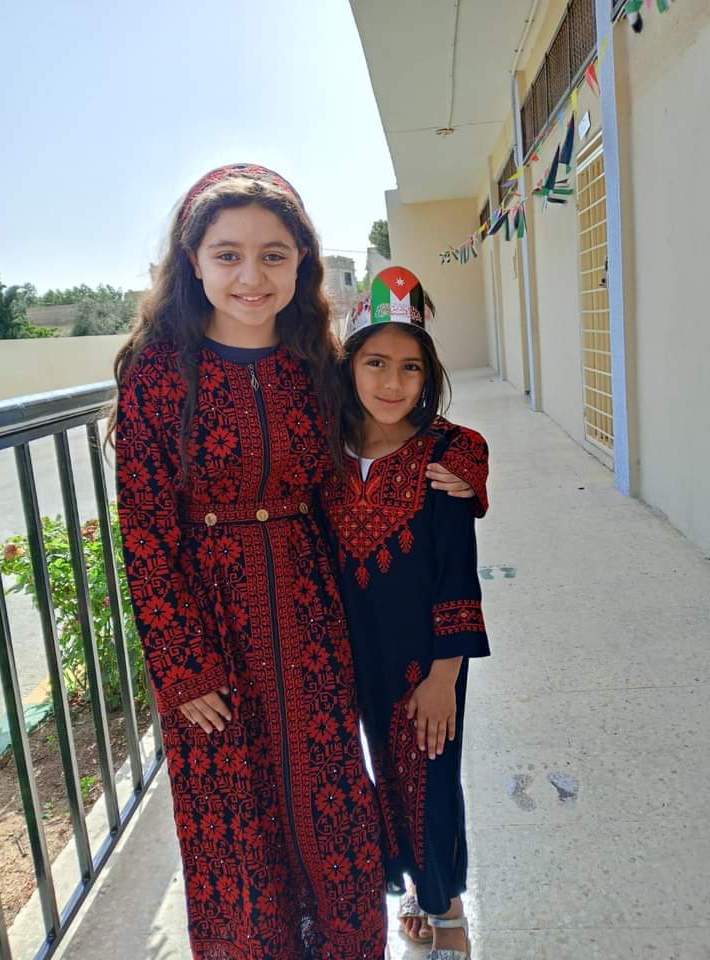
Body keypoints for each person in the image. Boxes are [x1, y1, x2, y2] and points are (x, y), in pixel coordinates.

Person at [109, 165, 475, 959]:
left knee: (329, 799)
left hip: (317, 618)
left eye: (274, 254)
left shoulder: (320, 364)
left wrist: (467, 464)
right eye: (228, 254)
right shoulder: (158, 375)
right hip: (209, 634)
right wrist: (182, 665)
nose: (252, 275)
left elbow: (398, 430)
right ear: (193, 261)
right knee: (234, 818)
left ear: (302, 262)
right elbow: (144, 531)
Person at [322, 266, 491, 960]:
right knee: (384, 777)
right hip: (355, 655)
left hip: (429, 659)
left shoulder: (447, 457)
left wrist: (445, 677)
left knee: (433, 780)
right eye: (376, 363)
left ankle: (448, 905)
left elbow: (457, 572)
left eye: (410, 367)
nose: (392, 383)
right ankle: (418, 890)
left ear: (428, 376)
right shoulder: (325, 455)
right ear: (349, 366)